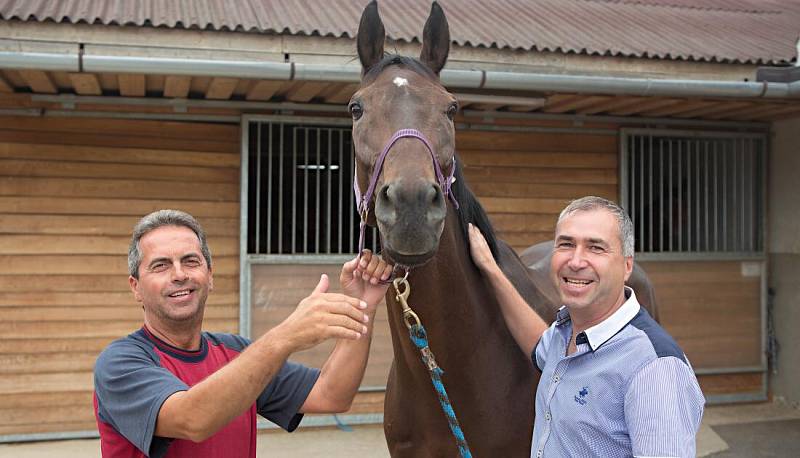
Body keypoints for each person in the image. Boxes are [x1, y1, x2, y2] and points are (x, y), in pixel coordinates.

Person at [93, 209, 393, 457]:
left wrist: (363, 304)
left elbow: (331, 395)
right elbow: (193, 419)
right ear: (136, 288)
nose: (179, 274)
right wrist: (285, 336)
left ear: (209, 277)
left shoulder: (236, 353)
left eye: (190, 261)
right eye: (160, 266)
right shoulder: (121, 363)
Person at [468, 196, 704, 458]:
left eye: (596, 248)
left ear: (627, 265)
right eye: (566, 244)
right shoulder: (565, 335)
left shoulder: (654, 369)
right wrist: (491, 269)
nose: (576, 261)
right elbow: (537, 344)